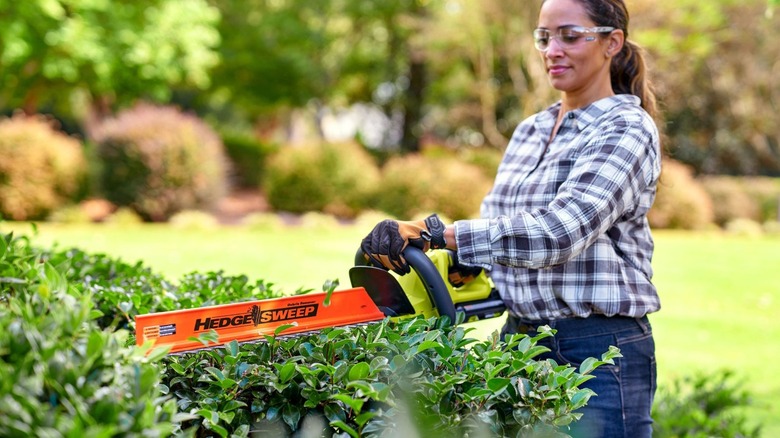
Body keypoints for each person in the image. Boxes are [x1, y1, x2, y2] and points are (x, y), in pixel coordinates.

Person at [360, 0, 661, 437]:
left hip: (598, 348)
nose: (552, 50)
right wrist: (441, 258)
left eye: (569, 36)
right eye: (544, 37)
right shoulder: (530, 130)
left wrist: (439, 235)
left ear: (611, 43)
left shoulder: (625, 128)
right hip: (519, 341)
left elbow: (561, 232)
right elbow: (499, 227)